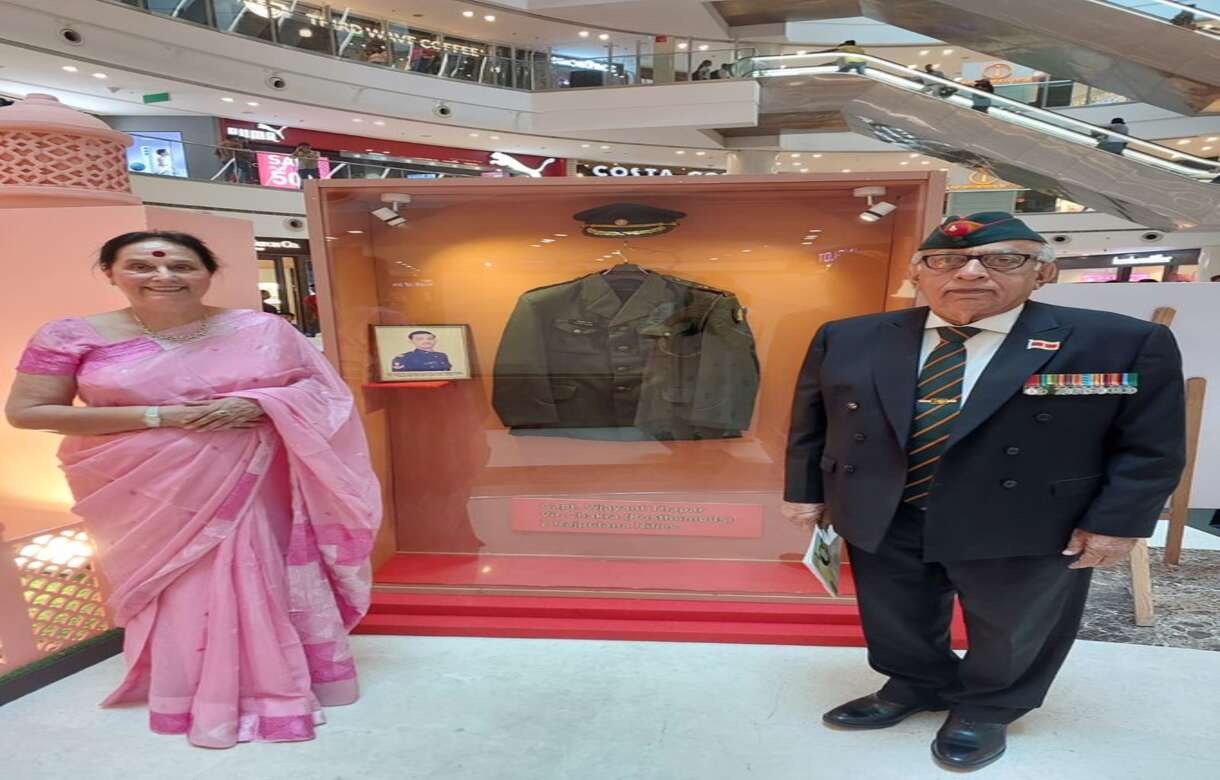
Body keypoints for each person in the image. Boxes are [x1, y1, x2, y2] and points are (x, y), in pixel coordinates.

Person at [782, 212, 1186, 770]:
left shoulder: (1120, 342)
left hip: (1027, 516)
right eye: (945, 260)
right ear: (916, 271)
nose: (969, 272)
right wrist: (805, 491)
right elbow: (812, 422)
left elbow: (1150, 444)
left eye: (1002, 259)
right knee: (895, 611)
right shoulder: (848, 336)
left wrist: (1119, 522)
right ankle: (914, 683)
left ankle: (988, 706)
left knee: (1013, 624)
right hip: (885, 506)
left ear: (1042, 272)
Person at [5, 231, 381, 748]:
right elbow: (27, 411)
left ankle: (280, 687)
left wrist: (260, 404)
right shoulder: (68, 336)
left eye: (182, 267)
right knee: (182, 584)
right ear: (111, 273)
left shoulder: (263, 328)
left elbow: (320, 390)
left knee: (259, 571)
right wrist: (162, 417)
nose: (163, 277)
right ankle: (195, 690)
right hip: (143, 483)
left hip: (252, 474)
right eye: (140, 267)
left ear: (207, 273)